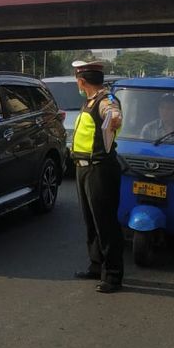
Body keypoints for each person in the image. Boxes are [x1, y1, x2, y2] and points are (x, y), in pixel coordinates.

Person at [70, 60, 124, 294]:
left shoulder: (106, 100)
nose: (77, 83)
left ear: (82, 81)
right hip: (84, 168)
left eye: (77, 80)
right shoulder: (90, 101)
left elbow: (113, 114)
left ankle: (113, 275)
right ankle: (96, 264)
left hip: (100, 169)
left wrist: (114, 118)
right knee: (90, 221)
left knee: (106, 223)